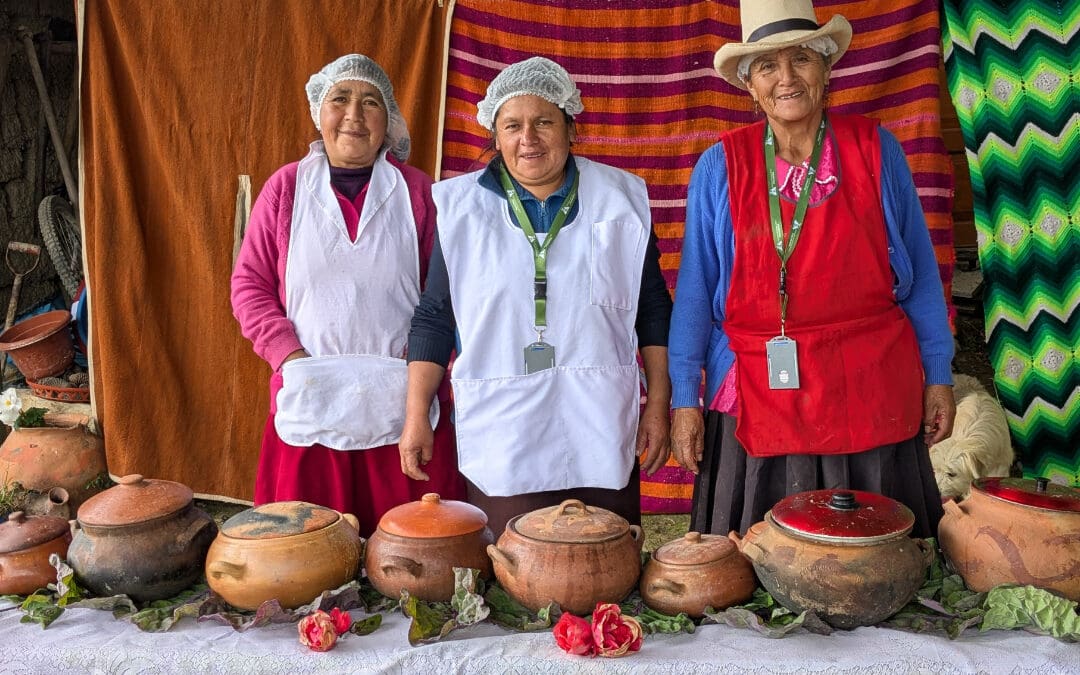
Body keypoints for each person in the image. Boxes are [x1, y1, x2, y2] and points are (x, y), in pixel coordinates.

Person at [668, 0, 955, 539]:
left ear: (827, 70)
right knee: (758, 562)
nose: (786, 78)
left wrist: (938, 374)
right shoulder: (719, 166)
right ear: (749, 86)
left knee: (875, 554)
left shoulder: (876, 149)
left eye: (801, 59)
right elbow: (695, 291)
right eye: (768, 67)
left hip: (868, 376)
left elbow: (918, 273)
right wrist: (687, 397)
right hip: (758, 378)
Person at [399, 57, 673, 536]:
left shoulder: (620, 199)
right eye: (513, 125)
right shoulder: (460, 209)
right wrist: (416, 414)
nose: (528, 138)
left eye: (544, 122)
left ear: (570, 127)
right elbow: (434, 318)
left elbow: (651, 307)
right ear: (496, 134)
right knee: (515, 568)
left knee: (602, 557)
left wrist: (658, 401)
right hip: (507, 426)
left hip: (600, 419)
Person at [231, 54, 464, 536]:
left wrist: (420, 374)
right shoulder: (285, 190)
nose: (354, 115)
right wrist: (290, 359)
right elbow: (249, 286)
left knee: (414, 555)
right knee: (306, 555)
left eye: (370, 102)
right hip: (312, 395)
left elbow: (447, 298)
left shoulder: (419, 193)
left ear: (389, 120)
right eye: (340, 99)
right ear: (319, 111)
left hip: (402, 403)